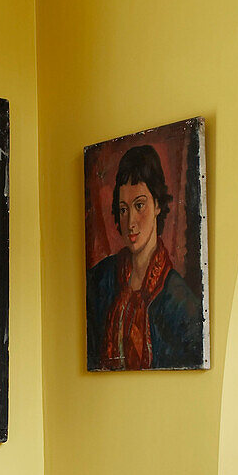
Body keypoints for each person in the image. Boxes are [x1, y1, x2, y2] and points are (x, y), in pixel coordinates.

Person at [86, 143, 203, 370]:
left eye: (139, 205)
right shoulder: (99, 281)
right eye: (123, 209)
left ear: (158, 204)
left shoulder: (180, 303)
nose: (130, 222)